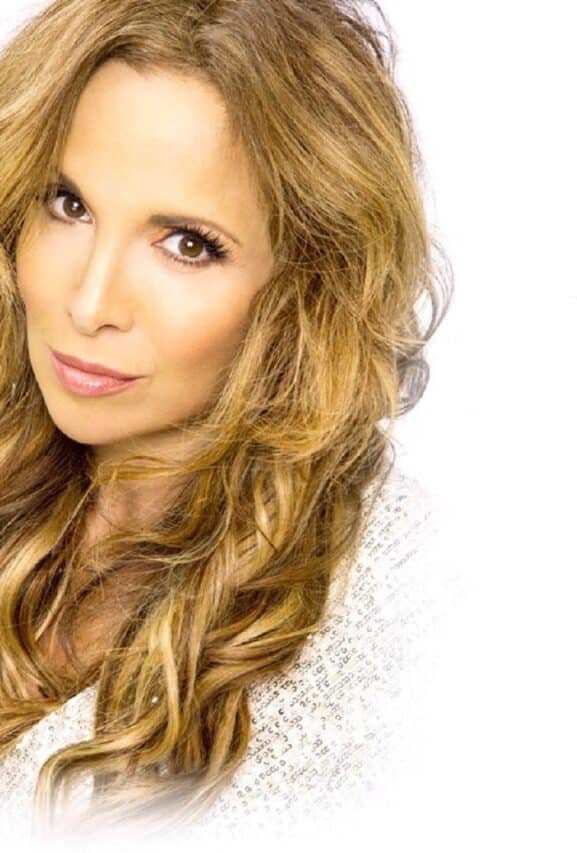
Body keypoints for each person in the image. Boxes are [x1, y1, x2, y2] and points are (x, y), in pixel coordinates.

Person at [0, 0, 454, 842]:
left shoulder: (405, 603)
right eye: (69, 204)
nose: (89, 303)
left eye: (186, 244)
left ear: (307, 284)